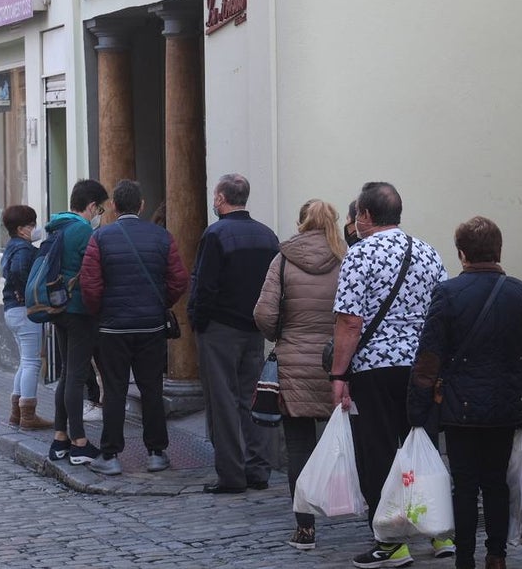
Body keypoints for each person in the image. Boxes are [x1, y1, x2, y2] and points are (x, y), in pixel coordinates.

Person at [407, 216, 522, 569]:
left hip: (459, 407)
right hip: (506, 403)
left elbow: (429, 357)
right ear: (498, 250)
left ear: (461, 253)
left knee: (464, 486)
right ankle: (497, 555)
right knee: (497, 482)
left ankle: (464, 558)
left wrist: (418, 409)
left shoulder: (448, 293)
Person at [329, 181, 450, 569]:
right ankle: (440, 531)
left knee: (378, 453)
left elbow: (350, 322)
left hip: (374, 369)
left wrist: (338, 374)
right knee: (424, 448)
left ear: (364, 216)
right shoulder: (428, 252)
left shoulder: (360, 255)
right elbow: (443, 311)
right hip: (421, 369)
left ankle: (391, 542)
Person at [254, 198, 346, 550]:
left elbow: (263, 313)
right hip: (337, 363)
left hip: (293, 363)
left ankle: (305, 527)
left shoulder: (283, 260)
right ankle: (367, 515)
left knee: (299, 448)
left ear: (301, 222)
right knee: (351, 441)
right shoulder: (346, 260)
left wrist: (281, 335)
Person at [79, 179, 189, 476]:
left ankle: (110, 454)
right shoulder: (161, 237)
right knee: (151, 387)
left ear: (113, 205)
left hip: (113, 328)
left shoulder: (100, 238)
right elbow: (179, 279)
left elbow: (89, 285)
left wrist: (101, 311)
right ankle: (156, 452)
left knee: (114, 389)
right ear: (141, 205)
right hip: (151, 326)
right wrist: (158, 301)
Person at [189, 173, 280, 494]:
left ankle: (231, 473)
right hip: (254, 328)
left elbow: (204, 285)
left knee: (223, 401)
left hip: (221, 328)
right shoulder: (267, 236)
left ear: (219, 198)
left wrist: (197, 320)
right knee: (252, 399)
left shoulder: (216, 235)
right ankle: (258, 468)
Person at [45, 178, 110, 466]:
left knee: (65, 375)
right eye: (101, 210)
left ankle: (60, 439)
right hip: (80, 311)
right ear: (92, 206)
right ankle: (80, 443)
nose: (100, 216)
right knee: (76, 376)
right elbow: (95, 270)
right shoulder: (83, 230)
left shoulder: (57, 225)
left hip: (58, 308)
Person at [0, 204, 52, 430]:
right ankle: (28, 416)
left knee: (24, 361)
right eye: (32, 224)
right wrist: (26, 292)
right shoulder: (23, 250)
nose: (35, 228)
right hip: (24, 310)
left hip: (12, 310)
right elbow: (20, 271)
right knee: (31, 362)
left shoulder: (11, 246)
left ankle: (16, 414)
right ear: (22, 229)